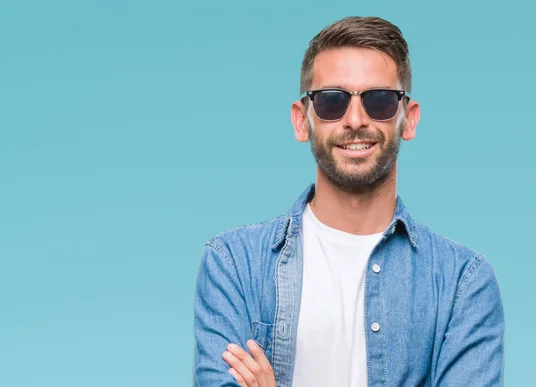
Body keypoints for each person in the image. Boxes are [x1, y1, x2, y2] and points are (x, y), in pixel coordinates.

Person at [193, 16, 504, 387]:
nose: (355, 120)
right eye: (331, 102)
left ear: (409, 119)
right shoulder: (233, 266)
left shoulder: (463, 285)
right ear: (301, 120)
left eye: (380, 100)